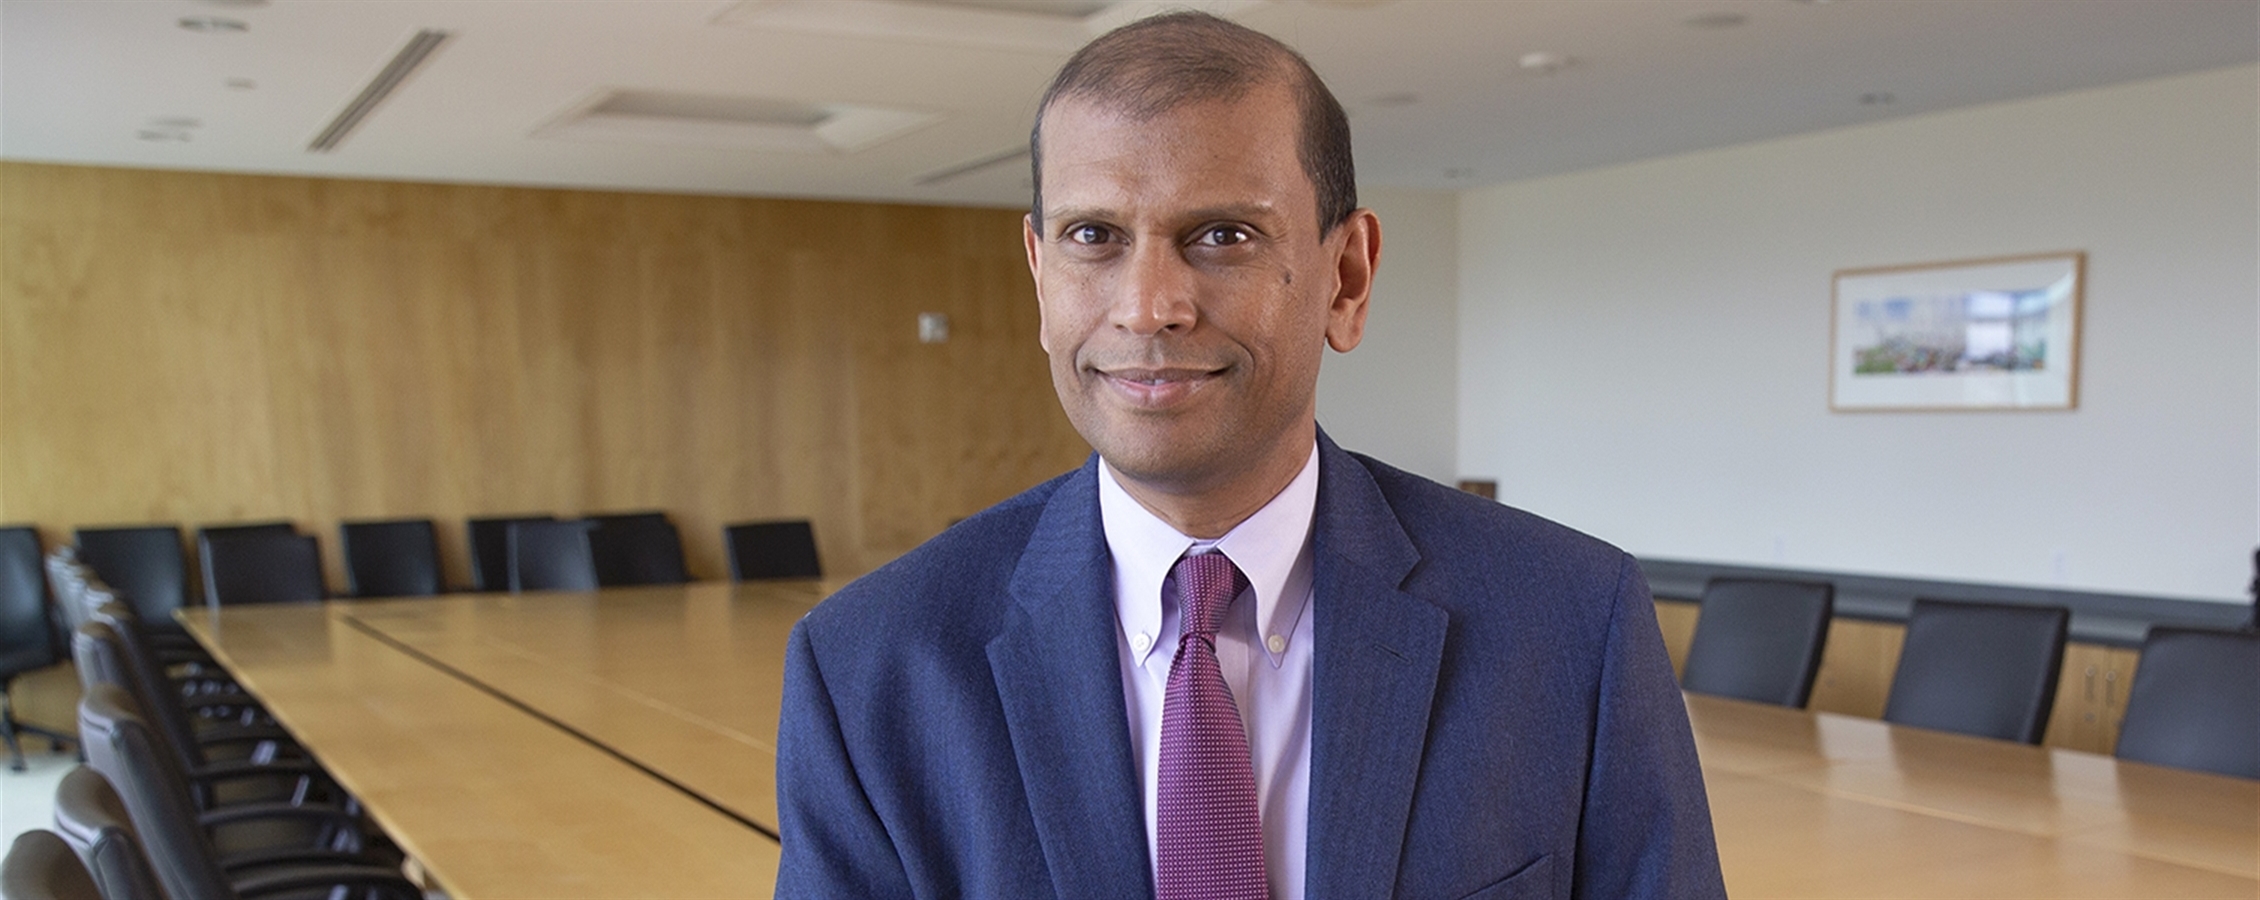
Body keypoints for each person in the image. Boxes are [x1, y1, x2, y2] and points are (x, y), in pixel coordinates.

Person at [774, 11, 1724, 899]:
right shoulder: (870, 664)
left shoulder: (1567, 620)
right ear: (1040, 276)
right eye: (1093, 237)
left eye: (1222, 235)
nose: (1148, 306)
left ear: (1345, 280)